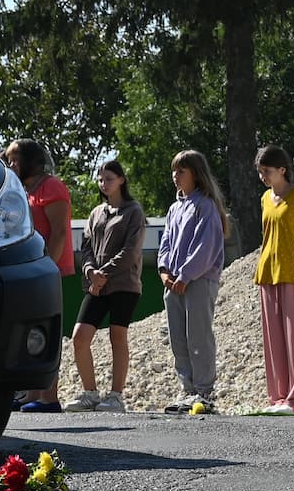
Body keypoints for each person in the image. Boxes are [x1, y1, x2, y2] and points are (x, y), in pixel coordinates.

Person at [64, 159, 145, 413]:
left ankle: (116, 396)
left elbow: (131, 251)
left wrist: (104, 274)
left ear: (121, 180)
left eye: (109, 178)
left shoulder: (133, 211)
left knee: (117, 337)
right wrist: (91, 272)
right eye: (101, 179)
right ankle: (90, 393)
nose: (104, 183)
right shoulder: (96, 212)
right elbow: (86, 247)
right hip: (96, 285)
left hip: (123, 284)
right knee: (79, 337)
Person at [5, 138, 73, 412]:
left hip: (49, 270)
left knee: (48, 331)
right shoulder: (26, 189)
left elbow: (59, 232)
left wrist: (48, 270)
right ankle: (30, 394)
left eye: (15, 158)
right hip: (31, 270)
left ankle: (49, 397)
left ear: (30, 159)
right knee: (30, 333)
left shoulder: (51, 186)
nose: (10, 164)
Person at [158, 150, 226, 413]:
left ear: (196, 174)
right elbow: (165, 244)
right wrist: (165, 271)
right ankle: (187, 389)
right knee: (179, 338)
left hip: (196, 281)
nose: (175, 176)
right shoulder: (175, 208)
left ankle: (204, 392)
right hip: (174, 282)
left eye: (181, 171)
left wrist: (185, 276)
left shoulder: (205, 206)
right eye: (174, 171)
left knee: (198, 336)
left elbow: (205, 248)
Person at [252, 146, 294, 414]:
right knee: (273, 337)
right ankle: (277, 396)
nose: (263, 176)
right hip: (267, 271)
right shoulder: (265, 198)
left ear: (282, 170)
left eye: (267, 171)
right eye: (260, 172)